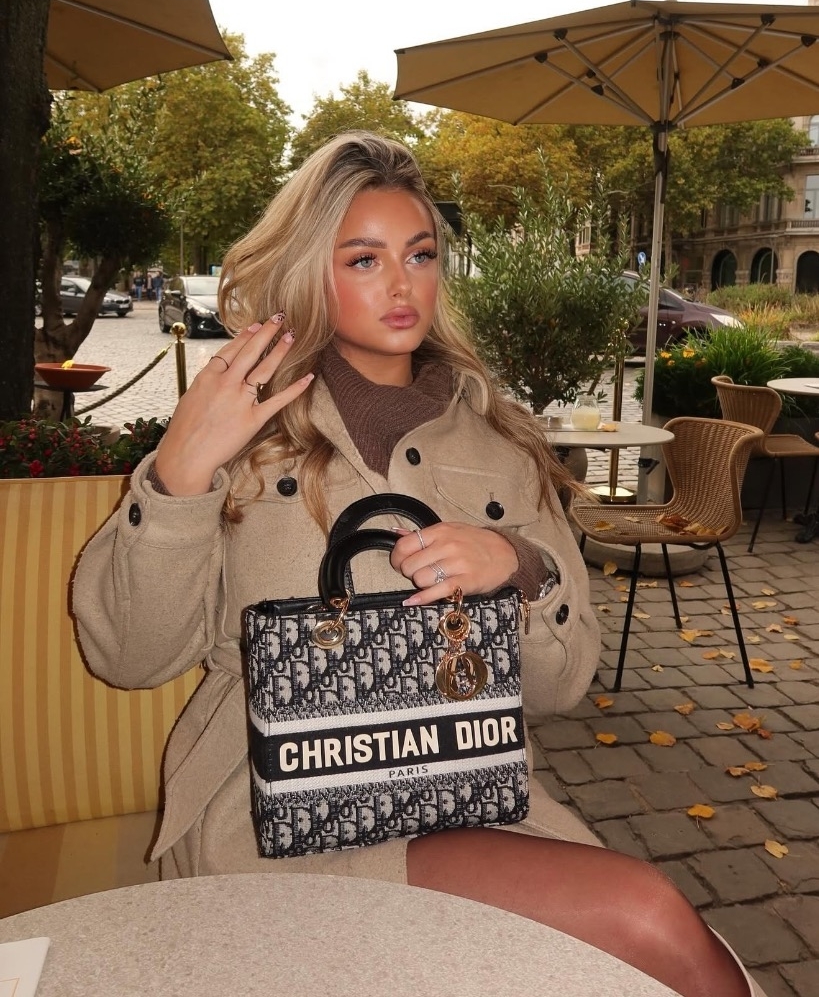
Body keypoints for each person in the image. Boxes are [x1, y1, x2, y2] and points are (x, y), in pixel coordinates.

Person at [73, 132, 762, 997]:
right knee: (646, 919)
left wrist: (519, 567)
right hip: (275, 813)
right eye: (363, 259)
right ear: (310, 272)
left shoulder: (503, 441)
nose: (402, 286)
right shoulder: (241, 431)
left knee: (657, 942)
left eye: (420, 254)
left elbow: (561, 687)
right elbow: (128, 657)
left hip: (458, 793)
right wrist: (178, 477)